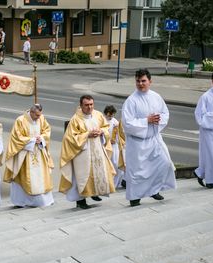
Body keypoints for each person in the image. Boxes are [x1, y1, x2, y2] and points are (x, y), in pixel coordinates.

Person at [122, 69, 176, 207]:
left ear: (150, 82)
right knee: (138, 173)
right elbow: (127, 124)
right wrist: (146, 121)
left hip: (154, 139)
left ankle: (154, 190)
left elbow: (165, 113)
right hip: (138, 143)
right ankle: (135, 198)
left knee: (165, 163)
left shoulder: (156, 97)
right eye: (138, 81)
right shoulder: (131, 101)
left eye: (143, 81)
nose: (140, 84)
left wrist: (158, 120)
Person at [59, 95, 116, 209]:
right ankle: (81, 201)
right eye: (86, 105)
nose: (89, 107)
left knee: (97, 174)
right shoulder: (75, 119)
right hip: (82, 154)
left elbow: (106, 128)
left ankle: (94, 193)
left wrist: (101, 132)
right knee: (82, 178)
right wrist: (87, 135)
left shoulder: (98, 115)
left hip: (98, 151)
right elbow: (70, 138)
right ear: (81, 105)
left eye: (91, 104)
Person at [3, 104, 55, 208]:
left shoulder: (41, 118)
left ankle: (43, 200)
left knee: (41, 176)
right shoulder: (20, 120)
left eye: (40, 115)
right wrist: (31, 140)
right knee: (26, 177)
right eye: (36, 115)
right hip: (25, 154)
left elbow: (47, 130)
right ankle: (23, 201)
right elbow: (16, 138)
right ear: (31, 112)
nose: (38, 117)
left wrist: (42, 138)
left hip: (39, 152)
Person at [103, 105, 125, 188]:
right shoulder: (102, 120)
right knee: (107, 165)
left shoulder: (115, 121)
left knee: (116, 164)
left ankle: (116, 183)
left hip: (114, 146)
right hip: (105, 145)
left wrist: (119, 140)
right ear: (106, 113)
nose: (111, 117)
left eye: (112, 115)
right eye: (109, 115)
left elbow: (120, 133)